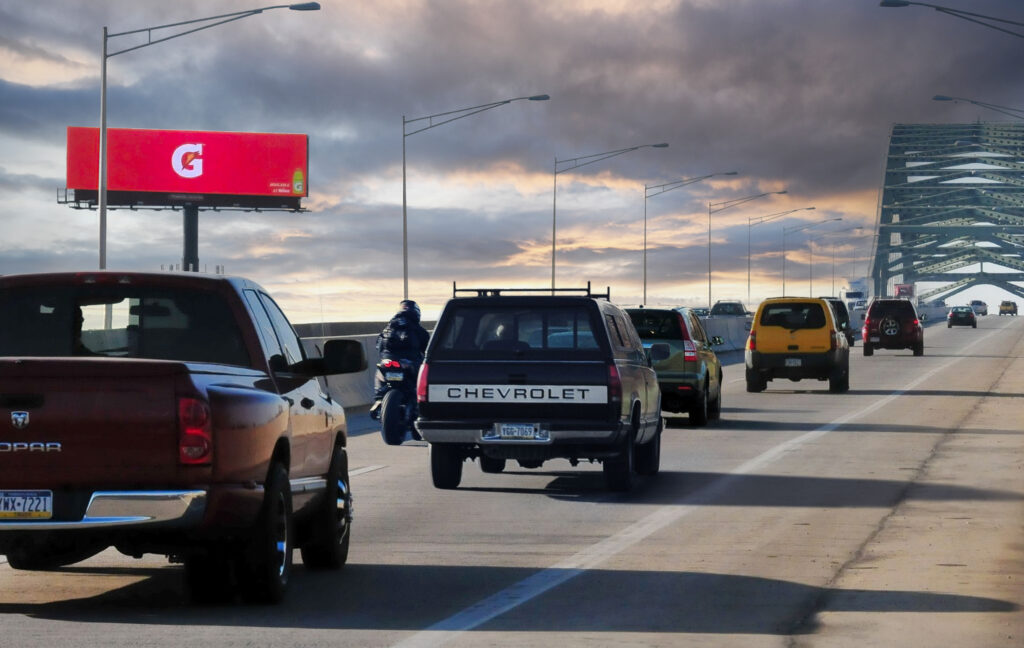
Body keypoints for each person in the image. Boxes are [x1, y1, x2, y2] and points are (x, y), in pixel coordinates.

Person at [369, 300, 430, 420]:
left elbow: (378, 346)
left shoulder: (388, 327)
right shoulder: (419, 330)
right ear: (416, 313)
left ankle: (379, 398)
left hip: (388, 361)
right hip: (408, 363)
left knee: (380, 370)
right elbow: (428, 350)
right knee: (424, 374)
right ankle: (421, 404)